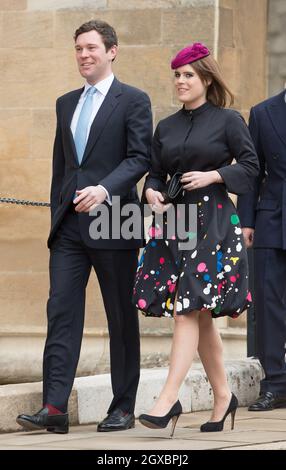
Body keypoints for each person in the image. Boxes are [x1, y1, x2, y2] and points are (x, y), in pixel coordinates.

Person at [16, 19, 152, 434]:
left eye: (91, 47)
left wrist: (105, 190)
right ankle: (54, 407)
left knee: (119, 317)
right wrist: (59, 209)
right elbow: (63, 167)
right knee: (61, 312)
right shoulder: (64, 103)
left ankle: (123, 407)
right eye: (78, 49)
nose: (84, 55)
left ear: (112, 51)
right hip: (70, 229)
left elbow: (139, 158)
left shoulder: (134, 100)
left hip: (116, 219)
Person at [133, 42, 259, 436]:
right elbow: (154, 172)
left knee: (187, 306)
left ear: (206, 78)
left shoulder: (227, 120)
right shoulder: (166, 126)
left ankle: (167, 398)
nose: (181, 81)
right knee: (198, 313)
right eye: (177, 75)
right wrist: (151, 192)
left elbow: (252, 166)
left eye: (188, 74)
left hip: (214, 225)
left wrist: (215, 176)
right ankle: (224, 397)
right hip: (174, 226)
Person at [237, 89, 286, 411]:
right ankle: (276, 384)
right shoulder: (263, 111)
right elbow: (251, 171)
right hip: (272, 219)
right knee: (268, 307)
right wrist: (246, 221)